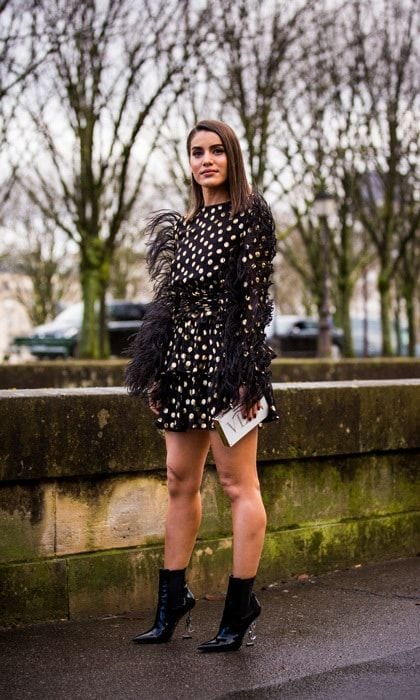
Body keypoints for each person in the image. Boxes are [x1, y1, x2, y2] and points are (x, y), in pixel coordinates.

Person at [125, 119, 279, 652]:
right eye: (196, 152)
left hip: (228, 365)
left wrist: (247, 374)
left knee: (238, 485)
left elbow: (254, 304)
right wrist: (156, 370)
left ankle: (239, 608)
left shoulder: (249, 215)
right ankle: (172, 603)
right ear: (188, 161)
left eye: (216, 151)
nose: (206, 160)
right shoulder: (188, 224)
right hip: (181, 365)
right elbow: (169, 306)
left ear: (232, 156)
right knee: (178, 481)